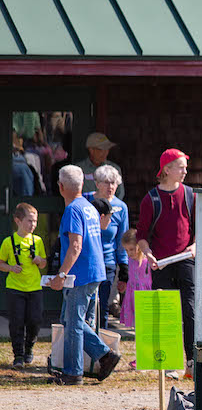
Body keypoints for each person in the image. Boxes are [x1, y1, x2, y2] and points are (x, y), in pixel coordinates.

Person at [48, 165, 122, 386]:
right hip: (96, 270)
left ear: (61, 187)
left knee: (73, 322)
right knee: (71, 320)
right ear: (82, 185)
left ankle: (74, 372)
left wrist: (61, 274)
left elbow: (76, 246)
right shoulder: (88, 207)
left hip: (81, 274)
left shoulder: (72, 209)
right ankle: (105, 356)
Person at [137, 148, 197, 377]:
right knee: (166, 313)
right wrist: (148, 253)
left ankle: (191, 361)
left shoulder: (191, 195)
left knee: (189, 310)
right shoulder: (151, 199)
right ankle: (171, 363)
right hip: (161, 263)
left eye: (185, 166)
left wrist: (195, 247)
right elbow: (142, 235)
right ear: (167, 169)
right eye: (181, 167)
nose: (185, 171)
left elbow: (200, 231)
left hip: (185, 260)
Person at [0, 203, 47, 369]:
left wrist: (39, 260)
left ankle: (29, 348)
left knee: (35, 320)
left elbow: (43, 264)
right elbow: (1, 263)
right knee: (16, 321)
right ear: (17, 221)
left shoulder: (38, 241)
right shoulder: (8, 242)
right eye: (29, 221)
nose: (33, 224)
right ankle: (18, 354)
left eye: (35, 221)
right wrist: (11, 268)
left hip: (34, 287)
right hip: (15, 288)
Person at [83, 165, 129, 330]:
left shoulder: (121, 207)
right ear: (97, 183)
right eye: (106, 182)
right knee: (85, 306)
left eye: (114, 183)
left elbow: (122, 240)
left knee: (103, 307)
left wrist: (124, 270)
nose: (110, 187)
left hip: (107, 263)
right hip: (86, 261)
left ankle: (102, 347)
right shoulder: (85, 200)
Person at [119, 229, 151, 332]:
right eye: (126, 250)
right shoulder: (130, 261)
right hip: (133, 294)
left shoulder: (147, 261)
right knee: (137, 322)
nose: (129, 253)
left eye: (131, 249)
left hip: (145, 294)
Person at [78, 132, 124, 200]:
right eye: (102, 149)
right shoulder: (80, 169)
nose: (105, 152)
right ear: (91, 150)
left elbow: (120, 193)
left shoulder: (114, 168)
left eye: (107, 149)